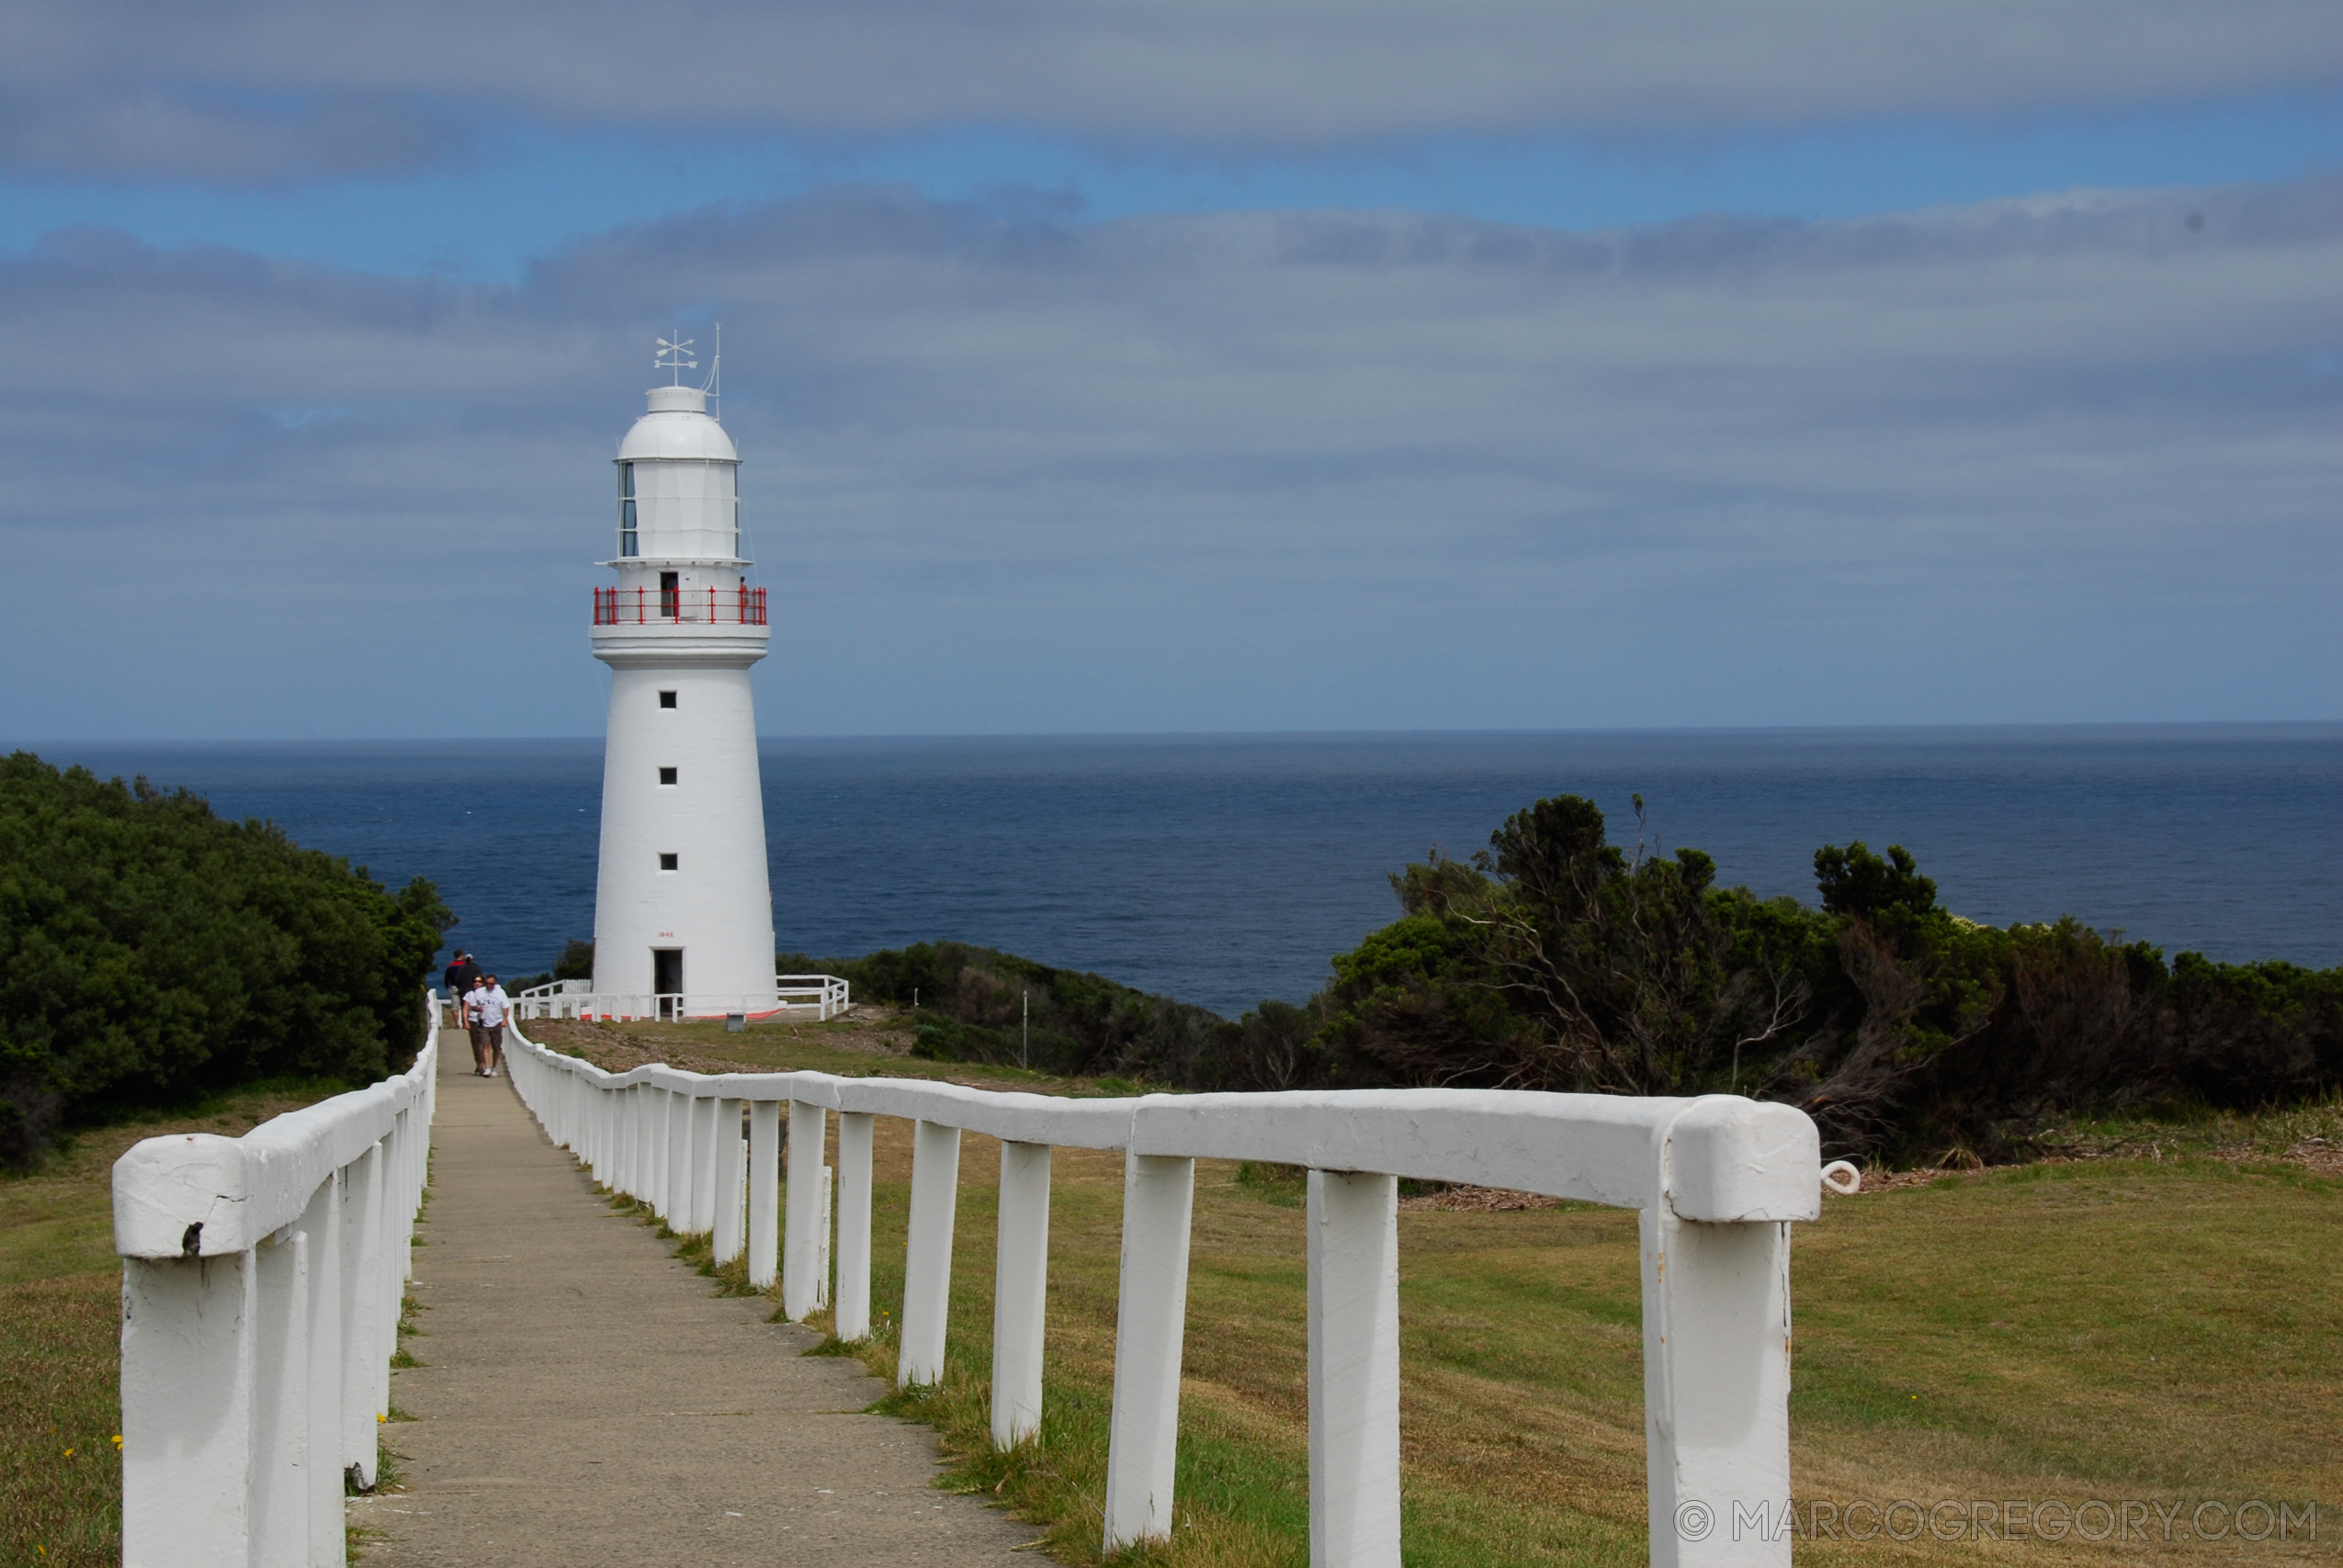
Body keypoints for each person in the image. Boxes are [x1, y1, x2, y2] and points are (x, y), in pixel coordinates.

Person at [476, 973, 513, 1078]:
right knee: (485, 1045)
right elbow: (473, 1005)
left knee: (496, 1047)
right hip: (483, 1022)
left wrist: (505, 1020)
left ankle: (494, 1067)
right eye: (487, 984)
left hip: (496, 1022)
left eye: (491, 984)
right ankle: (487, 1068)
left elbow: (505, 1007)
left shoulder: (500, 993)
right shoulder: (479, 992)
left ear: (495, 983)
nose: (489, 986)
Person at [464, 974, 492, 1076]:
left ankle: (485, 1066)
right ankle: (479, 1065)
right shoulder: (470, 994)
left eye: (479, 981)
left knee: (484, 1044)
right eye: (475, 981)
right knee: (476, 1044)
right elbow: (466, 1008)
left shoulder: (487, 994)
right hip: (473, 1021)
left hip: (485, 1021)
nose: (477, 983)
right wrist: (465, 1021)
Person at [442, 950, 479, 1027]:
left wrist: (447, 986)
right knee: (464, 1005)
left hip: (453, 987)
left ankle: (456, 1024)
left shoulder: (450, 965)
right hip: (463, 987)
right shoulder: (464, 965)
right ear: (461, 956)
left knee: (455, 1007)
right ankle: (465, 1022)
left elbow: (446, 978)